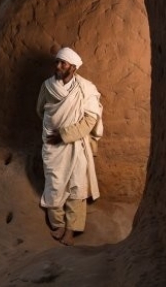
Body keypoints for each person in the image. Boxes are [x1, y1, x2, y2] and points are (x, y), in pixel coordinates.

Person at [36, 47, 103, 246]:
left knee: (77, 187)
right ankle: (57, 224)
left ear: (73, 67)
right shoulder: (47, 87)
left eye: (62, 63)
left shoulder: (86, 89)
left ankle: (71, 230)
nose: (58, 66)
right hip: (52, 145)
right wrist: (53, 126)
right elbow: (41, 110)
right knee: (54, 185)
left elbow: (90, 119)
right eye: (57, 62)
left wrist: (64, 134)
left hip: (76, 146)